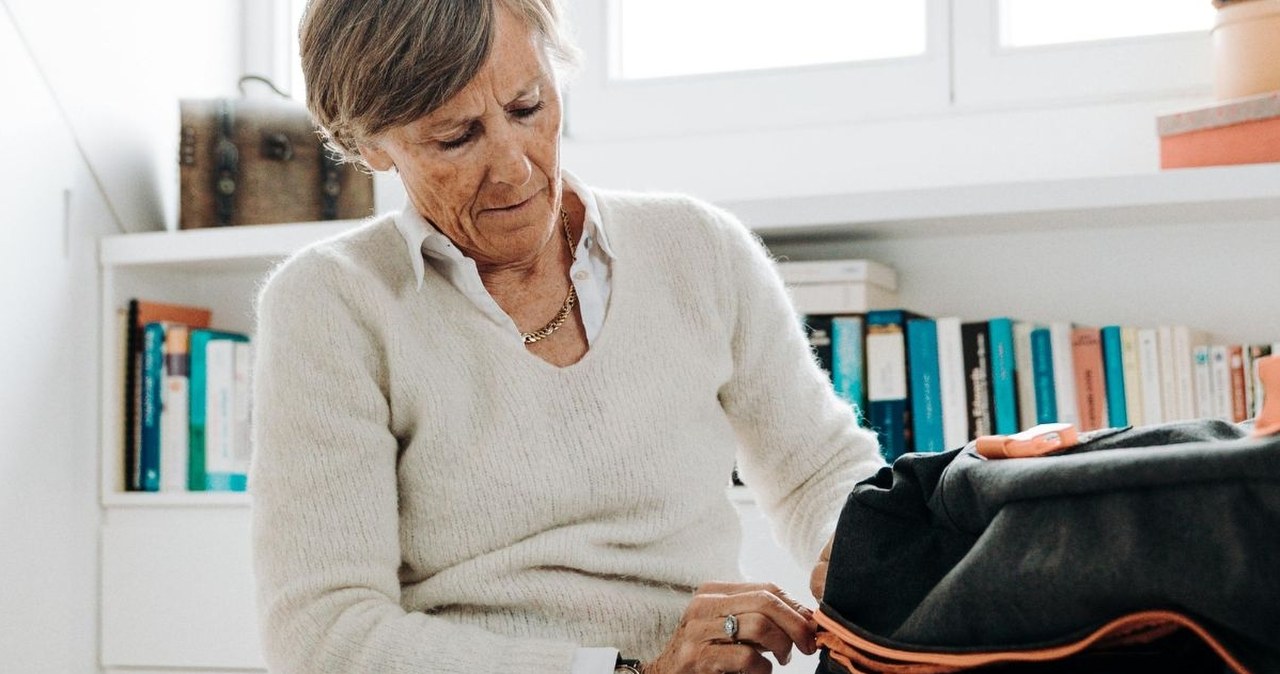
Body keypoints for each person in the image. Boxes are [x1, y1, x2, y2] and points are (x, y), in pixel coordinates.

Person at [249, 1, 885, 672]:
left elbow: (818, 469)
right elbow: (323, 632)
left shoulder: (698, 247)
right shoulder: (331, 303)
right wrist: (622, 671)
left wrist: (879, 566)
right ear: (369, 143)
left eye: (527, 108)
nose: (516, 168)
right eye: (456, 137)